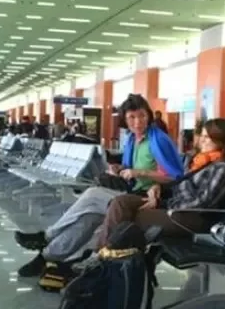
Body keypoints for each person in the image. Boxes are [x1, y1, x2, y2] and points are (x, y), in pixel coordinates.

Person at [14, 93, 185, 277]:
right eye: (132, 117)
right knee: (88, 219)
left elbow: (175, 176)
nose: (137, 122)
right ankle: (47, 257)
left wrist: (140, 172)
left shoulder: (158, 140)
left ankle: (47, 236)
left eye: (142, 116)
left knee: (92, 194)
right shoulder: (132, 139)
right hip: (131, 190)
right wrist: (120, 168)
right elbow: (130, 168)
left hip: (147, 196)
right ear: (125, 119)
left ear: (148, 115)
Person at [93, 118, 225, 248]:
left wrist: (162, 204)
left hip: (191, 217)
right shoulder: (198, 160)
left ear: (222, 141)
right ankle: (103, 256)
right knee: (120, 203)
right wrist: (159, 188)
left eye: (207, 137)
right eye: (202, 135)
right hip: (174, 207)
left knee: (129, 216)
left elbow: (202, 203)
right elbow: (178, 184)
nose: (201, 140)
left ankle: (104, 259)